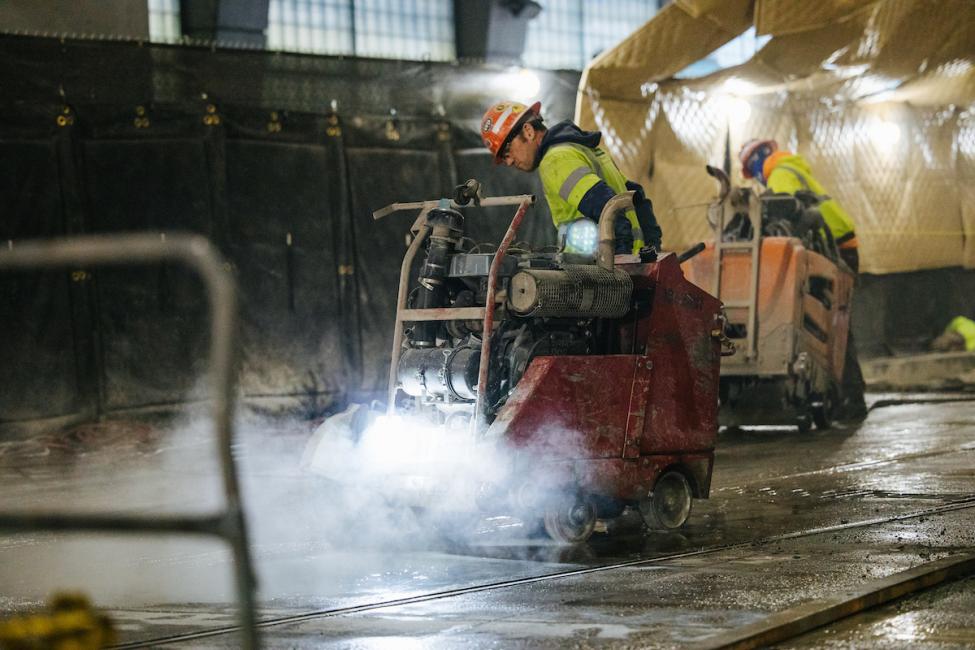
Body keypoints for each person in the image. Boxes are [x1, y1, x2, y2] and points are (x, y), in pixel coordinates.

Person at [739, 138, 867, 422]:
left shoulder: (782, 173)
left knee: (830, 323)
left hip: (834, 249)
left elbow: (785, 216)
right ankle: (846, 398)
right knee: (831, 323)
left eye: (752, 171)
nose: (757, 178)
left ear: (759, 161)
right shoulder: (792, 168)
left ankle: (850, 400)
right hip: (839, 245)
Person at [480, 100, 661, 255]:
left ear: (528, 131)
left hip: (601, 279)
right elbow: (636, 196)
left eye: (507, 151)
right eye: (504, 159)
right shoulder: (583, 149)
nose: (509, 162)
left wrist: (620, 267)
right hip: (627, 270)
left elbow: (610, 211)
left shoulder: (555, 160)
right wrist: (651, 255)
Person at [739, 139, 860, 272]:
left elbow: (783, 213)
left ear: (755, 162)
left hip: (835, 248)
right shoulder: (790, 168)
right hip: (842, 242)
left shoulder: (779, 175)